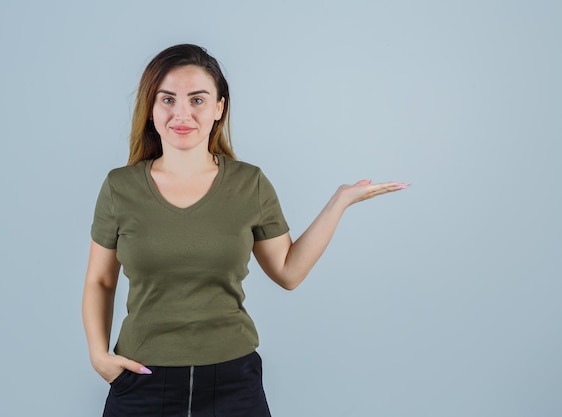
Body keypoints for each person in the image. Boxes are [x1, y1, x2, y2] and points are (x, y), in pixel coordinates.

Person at [82, 43, 408, 417]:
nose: (182, 113)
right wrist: (98, 355)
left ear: (219, 107)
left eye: (198, 100)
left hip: (232, 382)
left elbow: (288, 272)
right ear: (151, 109)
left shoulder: (249, 183)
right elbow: (100, 281)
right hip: (141, 379)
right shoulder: (120, 187)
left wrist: (340, 202)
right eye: (167, 99)